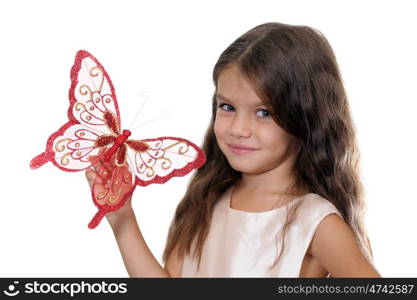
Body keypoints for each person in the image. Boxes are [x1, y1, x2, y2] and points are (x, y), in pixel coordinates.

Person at [85, 22, 381, 277]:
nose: (238, 128)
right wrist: (122, 219)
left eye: (263, 112)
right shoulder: (206, 200)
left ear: (303, 118)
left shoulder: (315, 222)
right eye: (227, 107)